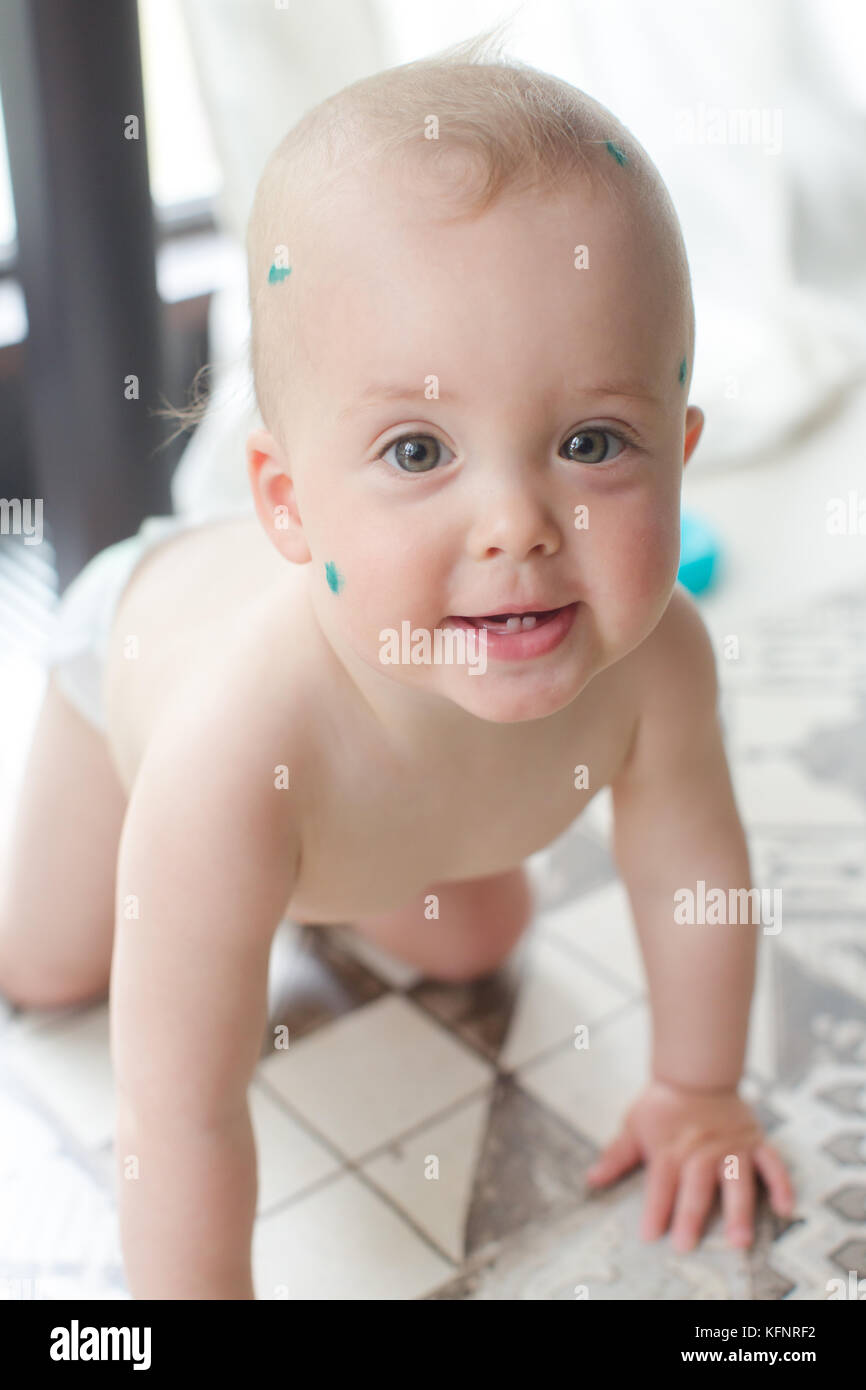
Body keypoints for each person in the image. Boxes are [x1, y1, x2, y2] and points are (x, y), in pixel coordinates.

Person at [0, 38, 794, 1298]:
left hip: (370, 793)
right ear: (290, 501)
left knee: (477, 935)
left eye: (592, 441)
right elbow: (180, 1115)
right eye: (418, 452)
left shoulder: (658, 666)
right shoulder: (229, 756)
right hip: (131, 657)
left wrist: (698, 1090)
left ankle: (339, 879)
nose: (515, 525)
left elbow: (693, 866)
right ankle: (254, 889)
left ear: (679, 455)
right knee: (48, 968)